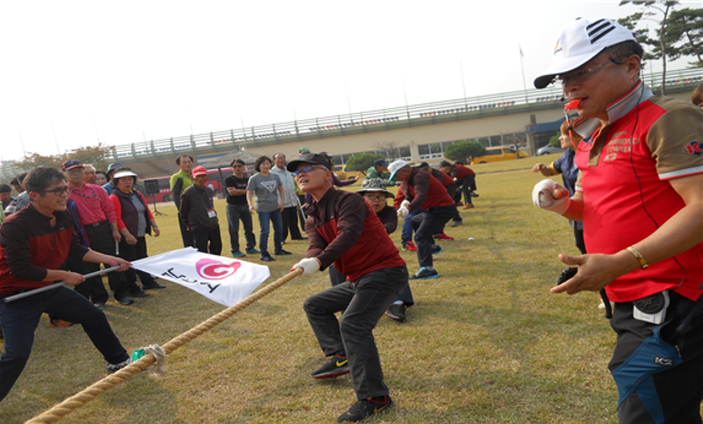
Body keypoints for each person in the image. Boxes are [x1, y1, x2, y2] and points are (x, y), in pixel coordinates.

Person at [532, 17, 703, 423]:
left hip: (675, 299)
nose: (569, 85)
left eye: (581, 71)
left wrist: (624, 260)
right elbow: (594, 204)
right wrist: (561, 204)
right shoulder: (595, 133)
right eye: (563, 76)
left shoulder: (667, 118)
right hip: (631, 300)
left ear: (631, 66)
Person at [288, 153, 408, 423]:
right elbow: (316, 243)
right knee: (315, 305)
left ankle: (375, 397)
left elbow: (349, 233)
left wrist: (319, 261)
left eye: (308, 168)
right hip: (358, 279)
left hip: (385, 271)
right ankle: (340, 354)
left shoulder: (349, 200)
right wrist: (309, 259)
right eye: (296, 172)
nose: (301, 174)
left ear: (329, 175)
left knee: (353, 324)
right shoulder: (311, 215)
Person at [0, 167, 134, 402]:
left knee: (94, 316)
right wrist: (63, 275)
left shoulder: (63, 214)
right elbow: (21, 269)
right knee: (16, 355)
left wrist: (109, 259)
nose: (65, 195)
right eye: (58, 191)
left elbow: (74, 248)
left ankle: (119, 361)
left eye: (66, 189)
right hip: (15, 294)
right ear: (34, 195)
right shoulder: (14, 225)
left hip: (47, 287)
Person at [64, 159, 138, 307]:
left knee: (113, 262)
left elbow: (109, 210)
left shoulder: (96, 190)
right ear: (65, 174)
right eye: (72, 172)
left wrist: (114, 229)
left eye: (79, 171)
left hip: (103, 229)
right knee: (91, 267)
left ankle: (121, 294)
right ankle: (99, 298)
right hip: (83, 232)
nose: (77, 174)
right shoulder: (65, 193)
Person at [358, 178, 415, 322]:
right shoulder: (354, 211)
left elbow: (390, 225)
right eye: (371, 196)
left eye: (381, 196)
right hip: (356, 252)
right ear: (362, 198)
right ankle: (349, 305)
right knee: (336, 266)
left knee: (396, 265)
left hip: (381, 250)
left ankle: (398, 303)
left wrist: (378, 230)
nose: (376, 200)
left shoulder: (390, 211)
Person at [389, 160, 457, 280]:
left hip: (442, 209)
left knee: (421, 237)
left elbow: (421, 195)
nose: (397, 179)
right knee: (415, 220)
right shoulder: (410, 178)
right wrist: (404, 204)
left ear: (404, 171)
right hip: (433, 209)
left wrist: (409, 208)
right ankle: (432, 247)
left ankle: (427, 269)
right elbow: (410, 196)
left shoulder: (420, 177)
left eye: (396, 175)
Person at [109, 169, 166, 292]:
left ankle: (148, 282)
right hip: (128, 235)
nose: (127, 182)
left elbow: (146, 210)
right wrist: (127, 235)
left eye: (130, 179)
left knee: (143, 257)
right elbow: (116, 218)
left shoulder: (137, 194)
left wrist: (154, 226)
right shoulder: (115, 196)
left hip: (140, 233)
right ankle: (132, 287)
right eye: (123, 180)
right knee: (129, 261)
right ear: (117, 182)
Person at [247, 156, 290, 261]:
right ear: (259, 166)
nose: (266, 166)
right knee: (265, 231)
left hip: (275, 207)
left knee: (279, 229)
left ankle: (278, 250)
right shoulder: (254, 178)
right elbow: (249, 193)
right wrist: (250, 205)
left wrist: (282, 202)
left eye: (268, 164)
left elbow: (281, 190)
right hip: (263, 209)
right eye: (263, 164)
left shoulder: (275, 176)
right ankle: (264, 254)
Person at [180, 166, 222, 255]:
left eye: (203, 176)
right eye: (198, 176)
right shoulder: (188, 193)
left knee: (217, 247)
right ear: (192, 177)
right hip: (198, 226)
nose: (201, 179)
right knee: (202, 250)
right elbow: (183, 211)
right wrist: (189, 224)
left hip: (213, 224)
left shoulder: (209, 190)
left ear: (207, 177)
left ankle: (215, 266)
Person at [224, 158, 257, 257]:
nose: (237, 168)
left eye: (239, 166)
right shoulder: (229, 179)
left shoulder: (248, 179)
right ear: (232, 168)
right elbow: (232, 192)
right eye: (235, 166)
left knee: (249, 228)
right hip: (233, 207)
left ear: (243, 167)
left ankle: (250, 247)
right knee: (233, 229)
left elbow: (253, 191)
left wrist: (240, 191)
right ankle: (235, 250)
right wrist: (247, 191)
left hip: (245, 206)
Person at [271, 152, 307, 242]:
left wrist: (295, 190)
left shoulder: (288, 170)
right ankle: (281, 238)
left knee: (293, 219)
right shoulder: (272, 172)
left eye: (282, 158)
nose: (280, 160)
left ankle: (296, 235)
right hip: (281, 200)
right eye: (278, 159)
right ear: (274, 161)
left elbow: (292, 183)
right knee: (283, 221)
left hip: (292, 197)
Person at [169, 155, 195, 248]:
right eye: (184, 162)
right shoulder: (176, 177)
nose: (187, 164)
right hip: (186, 212)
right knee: (189, 239)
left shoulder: (194, 176)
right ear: (178, 165)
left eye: (189, 161)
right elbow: (175, 195)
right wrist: (182, 211)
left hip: (197, 211)